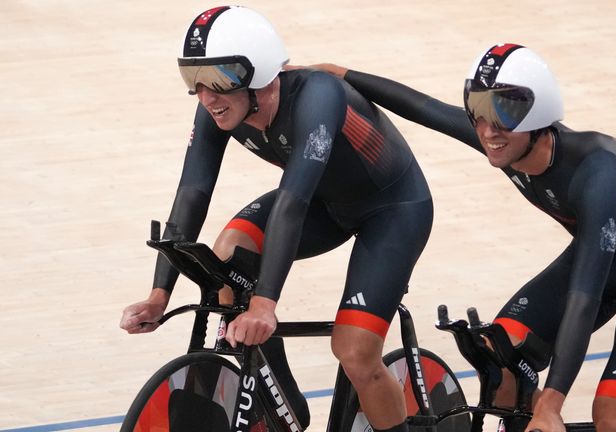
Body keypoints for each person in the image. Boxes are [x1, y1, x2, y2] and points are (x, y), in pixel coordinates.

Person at [305, 44, 616, 432]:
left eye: (503, 116)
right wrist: (345, 75)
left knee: (613, 417)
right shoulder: (507, 138)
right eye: (477, 113)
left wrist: (552, 402)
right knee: (500, 356)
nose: (488, 131)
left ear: (539, 115)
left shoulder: (598, 172)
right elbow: (425, 109)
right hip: (599, 254)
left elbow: (585, 297)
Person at [119, 6, 434, 432]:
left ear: (260, 74)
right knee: (227, 260)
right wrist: (159, 294)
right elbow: (192, 193)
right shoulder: (218, 107)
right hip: (326, 203)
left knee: (356, 353)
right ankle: (281, 404)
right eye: (192, 79)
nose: (205, 95)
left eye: (217, 79)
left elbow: (292, 202)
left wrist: (266, 304)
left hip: (392, 211)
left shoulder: (317, 95)